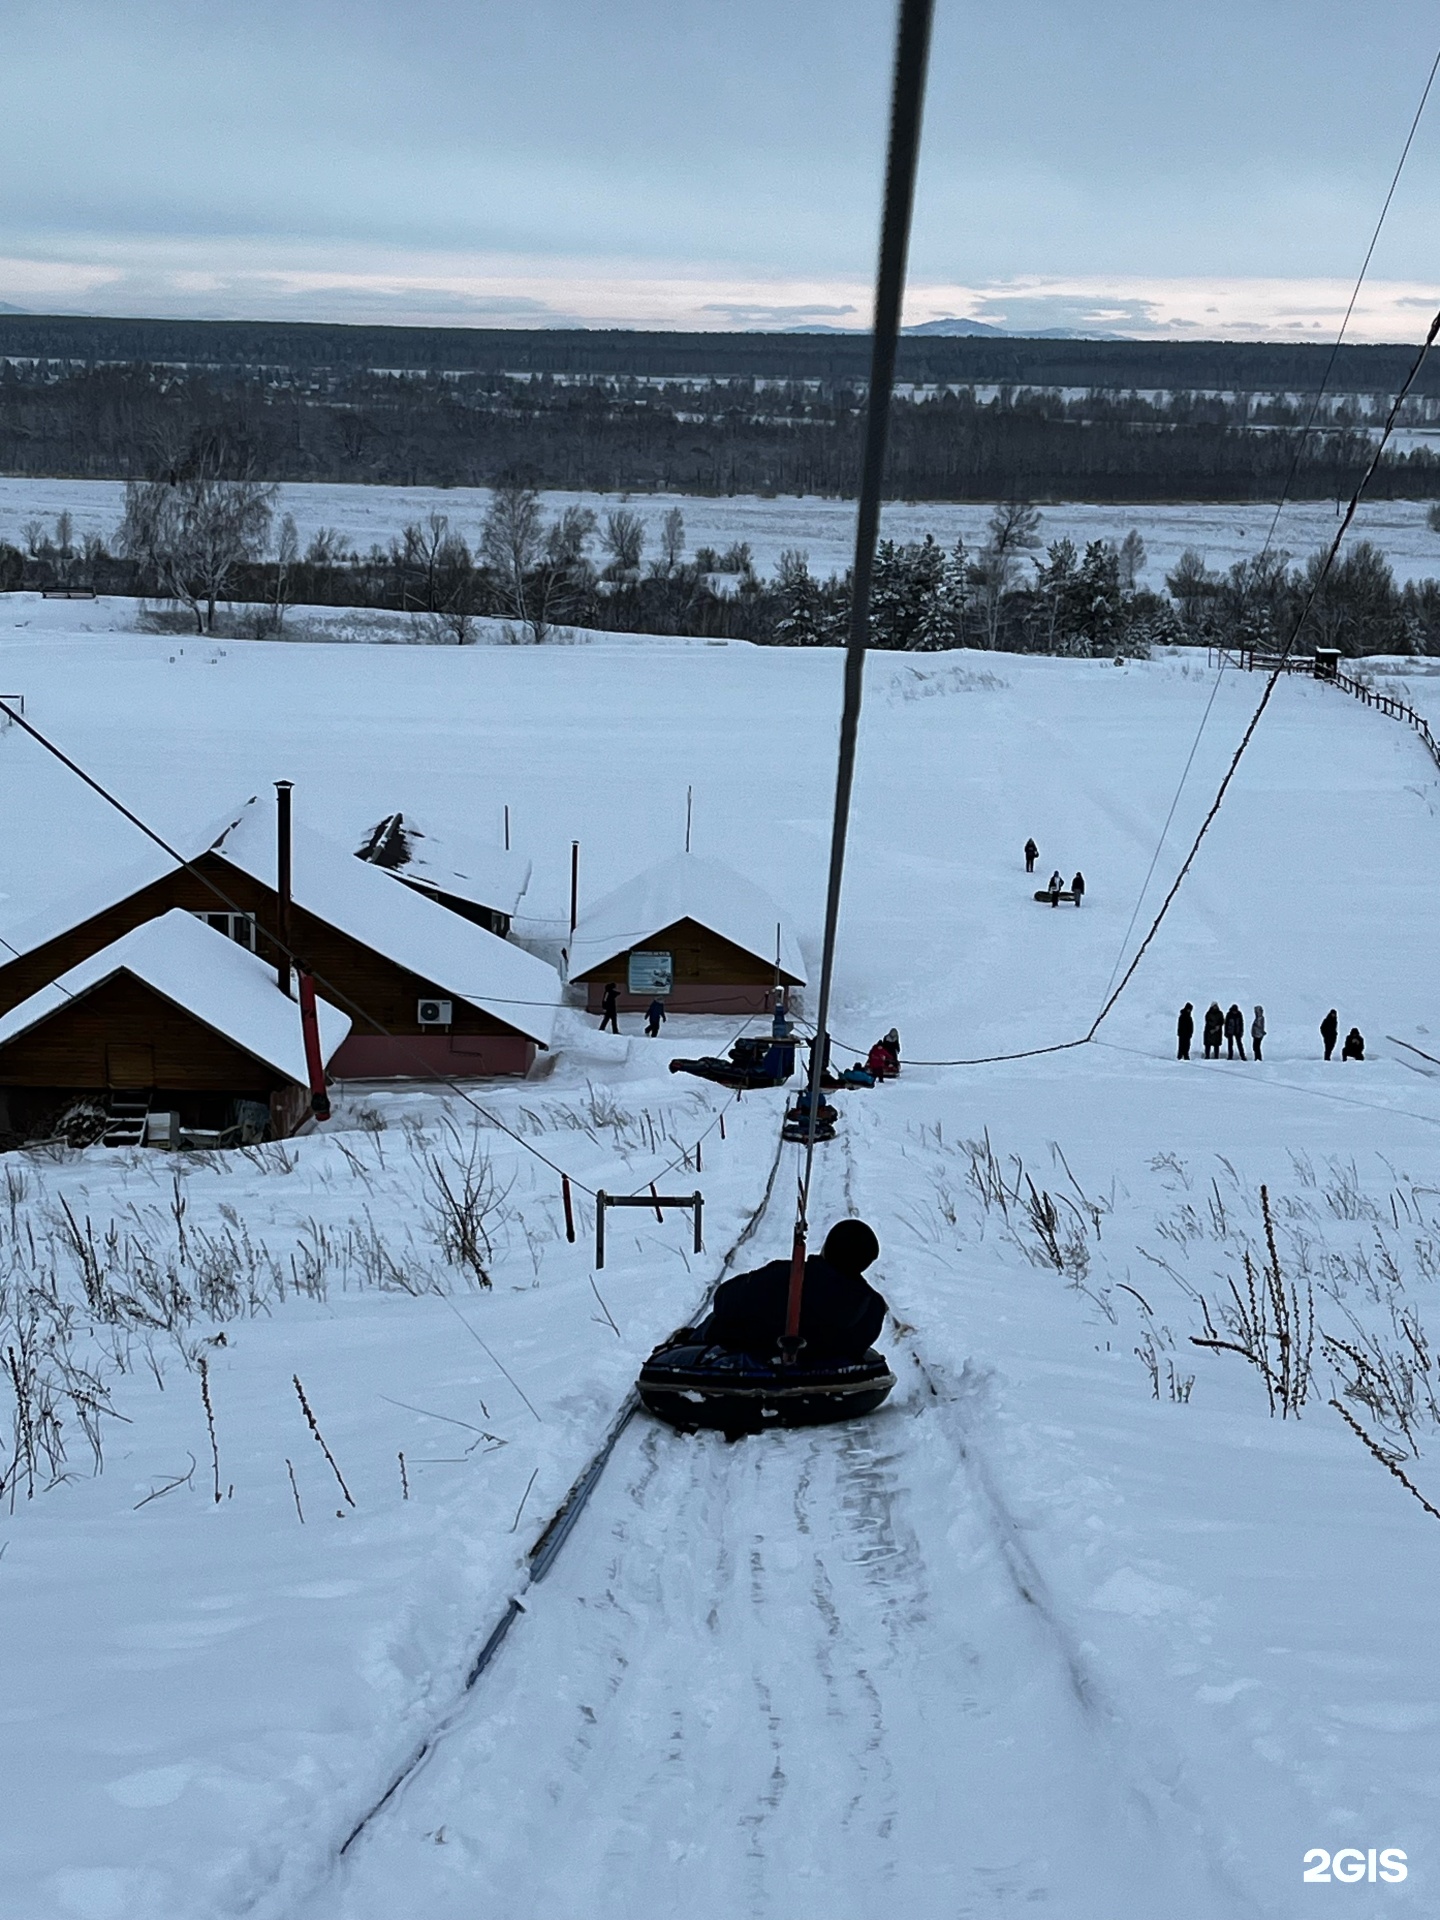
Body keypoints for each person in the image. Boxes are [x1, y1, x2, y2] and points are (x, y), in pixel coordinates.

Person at [701, 1219, 888, 1362]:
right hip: (822, 1375)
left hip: (758, 1361)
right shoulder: (873, 1308)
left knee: (712, 1324)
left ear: (827, 1248)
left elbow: (724, 1300)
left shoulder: (785, 1277)